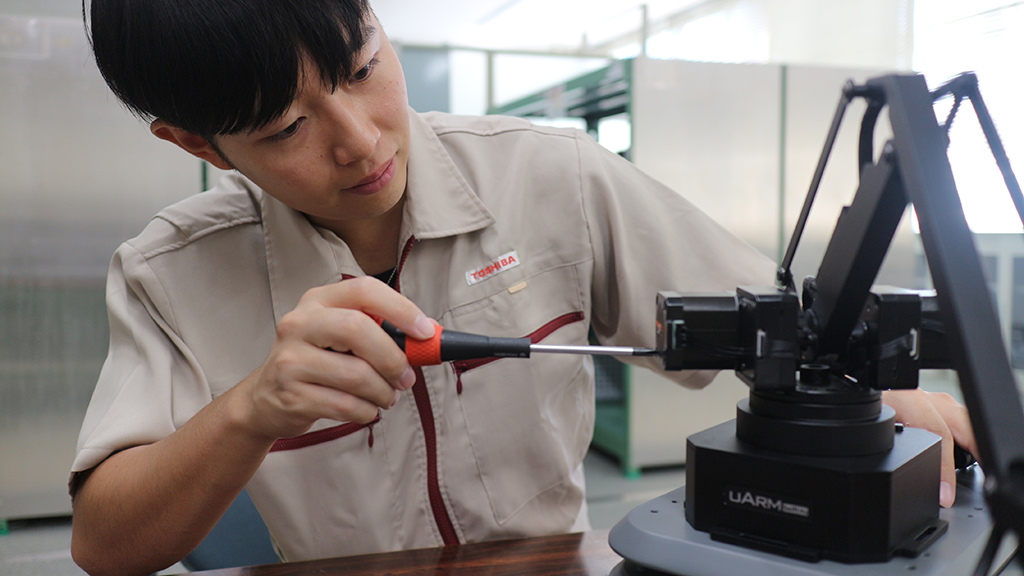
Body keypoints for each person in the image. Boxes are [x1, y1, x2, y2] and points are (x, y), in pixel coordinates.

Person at [69, 1, 977, 575]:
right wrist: (252, 411)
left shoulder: (555, 178)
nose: (360, 141)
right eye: (286, 127)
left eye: (361, 68)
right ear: (193, 143)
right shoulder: (168, 274)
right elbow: (106, 547)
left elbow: (777, 321)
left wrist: (896, 398)